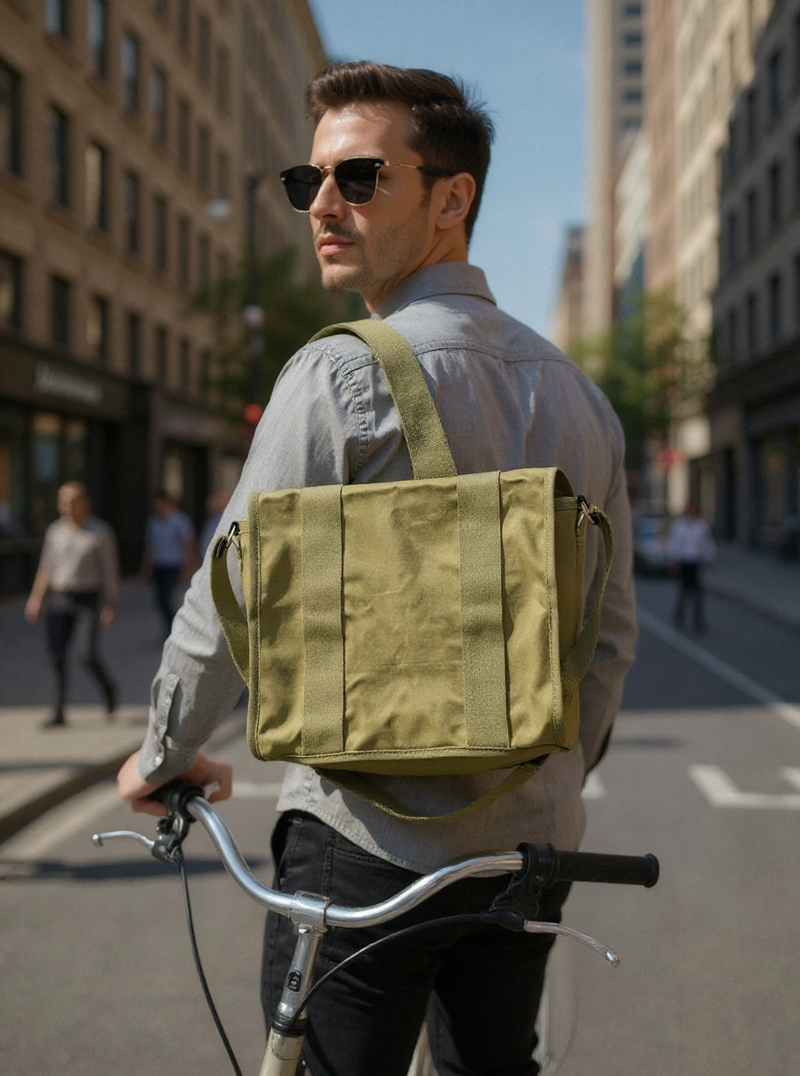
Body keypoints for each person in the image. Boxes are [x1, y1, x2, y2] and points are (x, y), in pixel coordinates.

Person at [118, 62, 638, 1076]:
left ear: (452, 199)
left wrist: (162, 751)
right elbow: (608, 635)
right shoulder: (581, 396)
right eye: (307, 181)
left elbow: (232, 594)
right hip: (531, 844)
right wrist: (548, 778)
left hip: (362, 844)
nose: (322, 204)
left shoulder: (338, 370)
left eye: (359, 178)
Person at [25, 481, 119, 728]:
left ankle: (108, 688)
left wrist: (110, 603)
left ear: (85, 503)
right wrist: (36, 598)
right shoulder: (55, 532)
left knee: (86, 653)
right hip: (58, 598)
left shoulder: (100, 531)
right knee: (56, 656)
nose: (67, 506)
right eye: (63, 501)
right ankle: (58, 712)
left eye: (73, 501)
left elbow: (109, 570)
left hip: (87, 599)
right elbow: (46, 567)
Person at [140, 491, 197, 637]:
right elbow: (150, 547)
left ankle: (177, 627)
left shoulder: (180, 520)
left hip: (174, 564)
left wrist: (187, 568)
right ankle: (170, 627)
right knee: (159, 600)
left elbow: (188, 545)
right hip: (159, 565)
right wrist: (146, 568)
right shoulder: (153, 522)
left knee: (167, 598)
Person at [667, 501, 716, 633]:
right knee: (683, 591)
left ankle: (698, 620)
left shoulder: (701, 526)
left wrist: (710, 558)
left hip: (696, 561)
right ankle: (679, 616)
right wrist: (674, 559)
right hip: (684, 561)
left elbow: (707, 543)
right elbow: (674, 543)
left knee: (698, 593)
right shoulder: (679, 525)